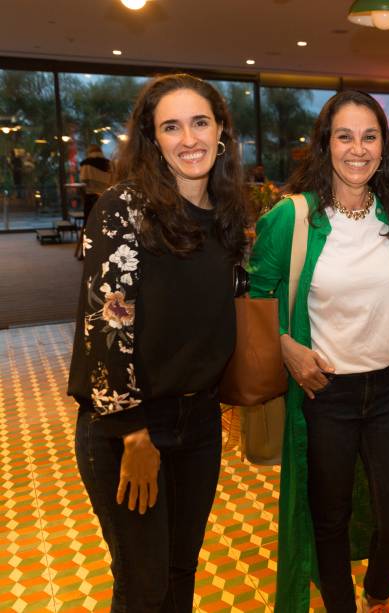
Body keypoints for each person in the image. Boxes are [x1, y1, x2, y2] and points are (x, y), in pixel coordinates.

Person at [68, 73, 250, 612]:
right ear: (152, 139)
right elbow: (104, 329)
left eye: (200, 122)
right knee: (143, 586)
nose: (189, 138)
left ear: (221, 131)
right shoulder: (122, 209)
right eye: (171, 127)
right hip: (129, 428)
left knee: (179, 571)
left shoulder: (227, 215)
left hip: (199, 424)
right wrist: (132, 434)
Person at [248, 90, 389, 613]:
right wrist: (288, 349)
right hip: (325, 392)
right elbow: (254, 300)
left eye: (370, 136)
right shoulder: (293, 218)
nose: (358, 148)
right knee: (328, 517)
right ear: (325, 144)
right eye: (345, 136)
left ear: (385, 146)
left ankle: (376, 593)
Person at [78, 144, 113, 220]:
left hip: (91, 198)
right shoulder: (110, 164)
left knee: (90, 222)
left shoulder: (85, 164)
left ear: (89, 152)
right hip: (107, 198)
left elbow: (83, 181)